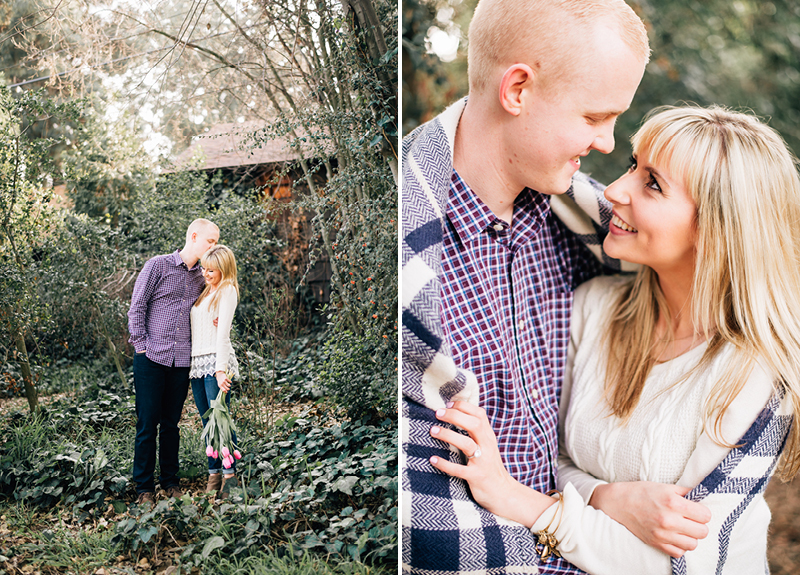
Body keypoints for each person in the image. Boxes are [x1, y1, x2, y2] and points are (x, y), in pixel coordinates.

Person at [430, 106, 800, 575]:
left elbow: (676, 563)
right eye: (633, 166)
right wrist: (610, 498)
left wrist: (527, 505)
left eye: (652, 184)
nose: (614, 191)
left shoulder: (758, 372)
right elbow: (553, 458)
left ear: (716, 230)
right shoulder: (592, 308)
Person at [401, 1, 665, 573]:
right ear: (517, 89)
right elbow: (426, 531)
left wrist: (594, 501)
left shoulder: (580, 228)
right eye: (596, 116)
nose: (607, 143)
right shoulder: (404, 247)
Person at [128, 218, 220, 505]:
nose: (213, 246)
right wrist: (141, 346)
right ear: (194, 236)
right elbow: (137, 307)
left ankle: (170, 482)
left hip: (182, 362)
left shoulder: (203, 277)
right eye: (211, 241)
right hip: (151, 358)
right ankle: (143, 487)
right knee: (147, 424)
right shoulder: (157, 266)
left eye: (216, 242)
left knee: (171, 424)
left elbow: (210, 308)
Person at [189, 244, 240, 497]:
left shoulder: (227, 290)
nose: (206, 274)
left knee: (220, 421)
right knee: (207, 422)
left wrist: (220, 370)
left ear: (224, 269)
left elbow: (223, 334)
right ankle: (214, 474)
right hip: (197, 364)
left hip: (216, 364)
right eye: (204, 268)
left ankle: (229, 478)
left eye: (212, 270)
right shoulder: (205, 292)